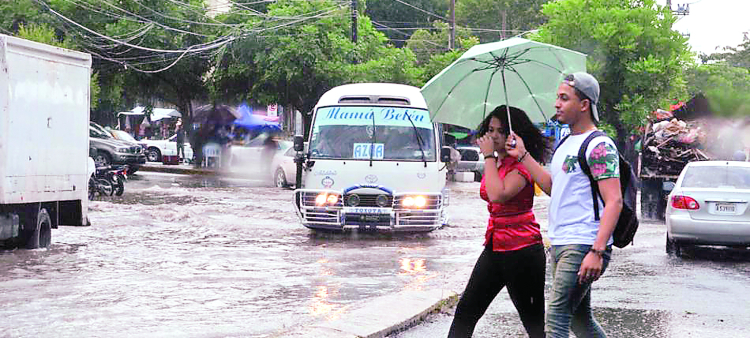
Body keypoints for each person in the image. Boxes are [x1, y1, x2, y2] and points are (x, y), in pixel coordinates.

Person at [506, 72, 623, 338]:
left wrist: (597, 250)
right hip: (561, 242)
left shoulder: (599, 146)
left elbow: (614, 200)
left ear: (584, 104)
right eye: (557, 98)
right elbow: (553, 188)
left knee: (556, 319)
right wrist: (523, 155)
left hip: (583, 243)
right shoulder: (565, 144)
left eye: (564, 98)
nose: (556, 104)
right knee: (580, 322)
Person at [447, 105, 547, 338]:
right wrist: (493, 158)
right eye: (490, 129)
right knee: (466, 311)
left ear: (513, 134)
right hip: (495, 245)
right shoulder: (499, 163)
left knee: (534, 325)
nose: (493, 136)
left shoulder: (522, 167)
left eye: (500, 131)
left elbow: (497, 194)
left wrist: (489, 156)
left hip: (522, 250)